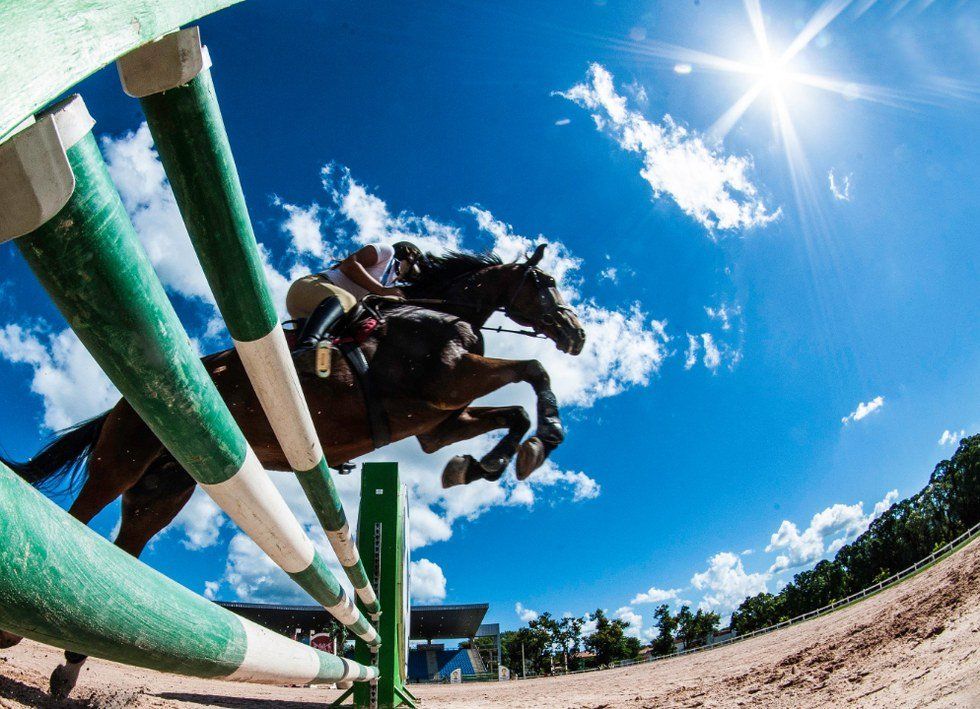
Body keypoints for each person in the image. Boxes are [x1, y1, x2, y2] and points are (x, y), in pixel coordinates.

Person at [286, 241, 425, 351]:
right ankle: (308, 346)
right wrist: (381, 290)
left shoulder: (390, 284)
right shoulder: (387, 252)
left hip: (318, 313)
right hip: (308, 288)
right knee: (348, 300)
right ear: (409, 254)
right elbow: (349, 264)